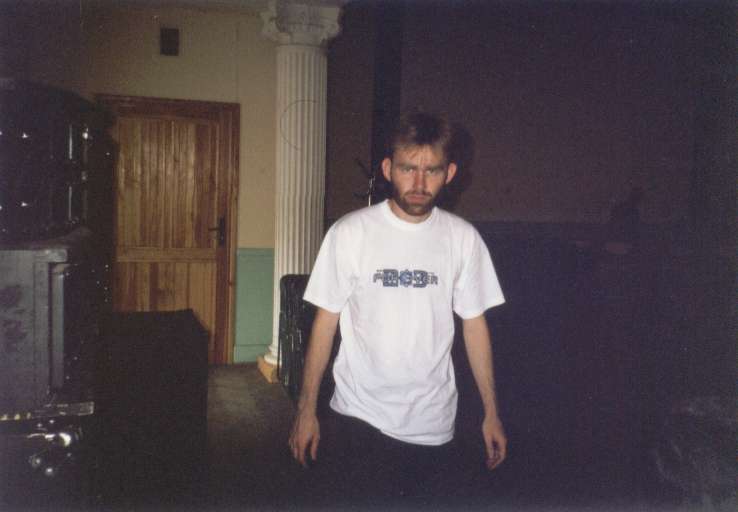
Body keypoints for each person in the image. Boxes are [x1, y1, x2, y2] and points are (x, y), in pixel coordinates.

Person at [289, 111, 507, 503]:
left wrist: (492, 412)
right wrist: (307, 410)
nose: (419, 184)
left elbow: (475, 325)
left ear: (450, 173)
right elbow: (325, 323)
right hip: (358, 417)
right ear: (389, 169)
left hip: (433, 424)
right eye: (408, 169)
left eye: (431, 171)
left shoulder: (463, 239)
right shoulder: (350, 233)